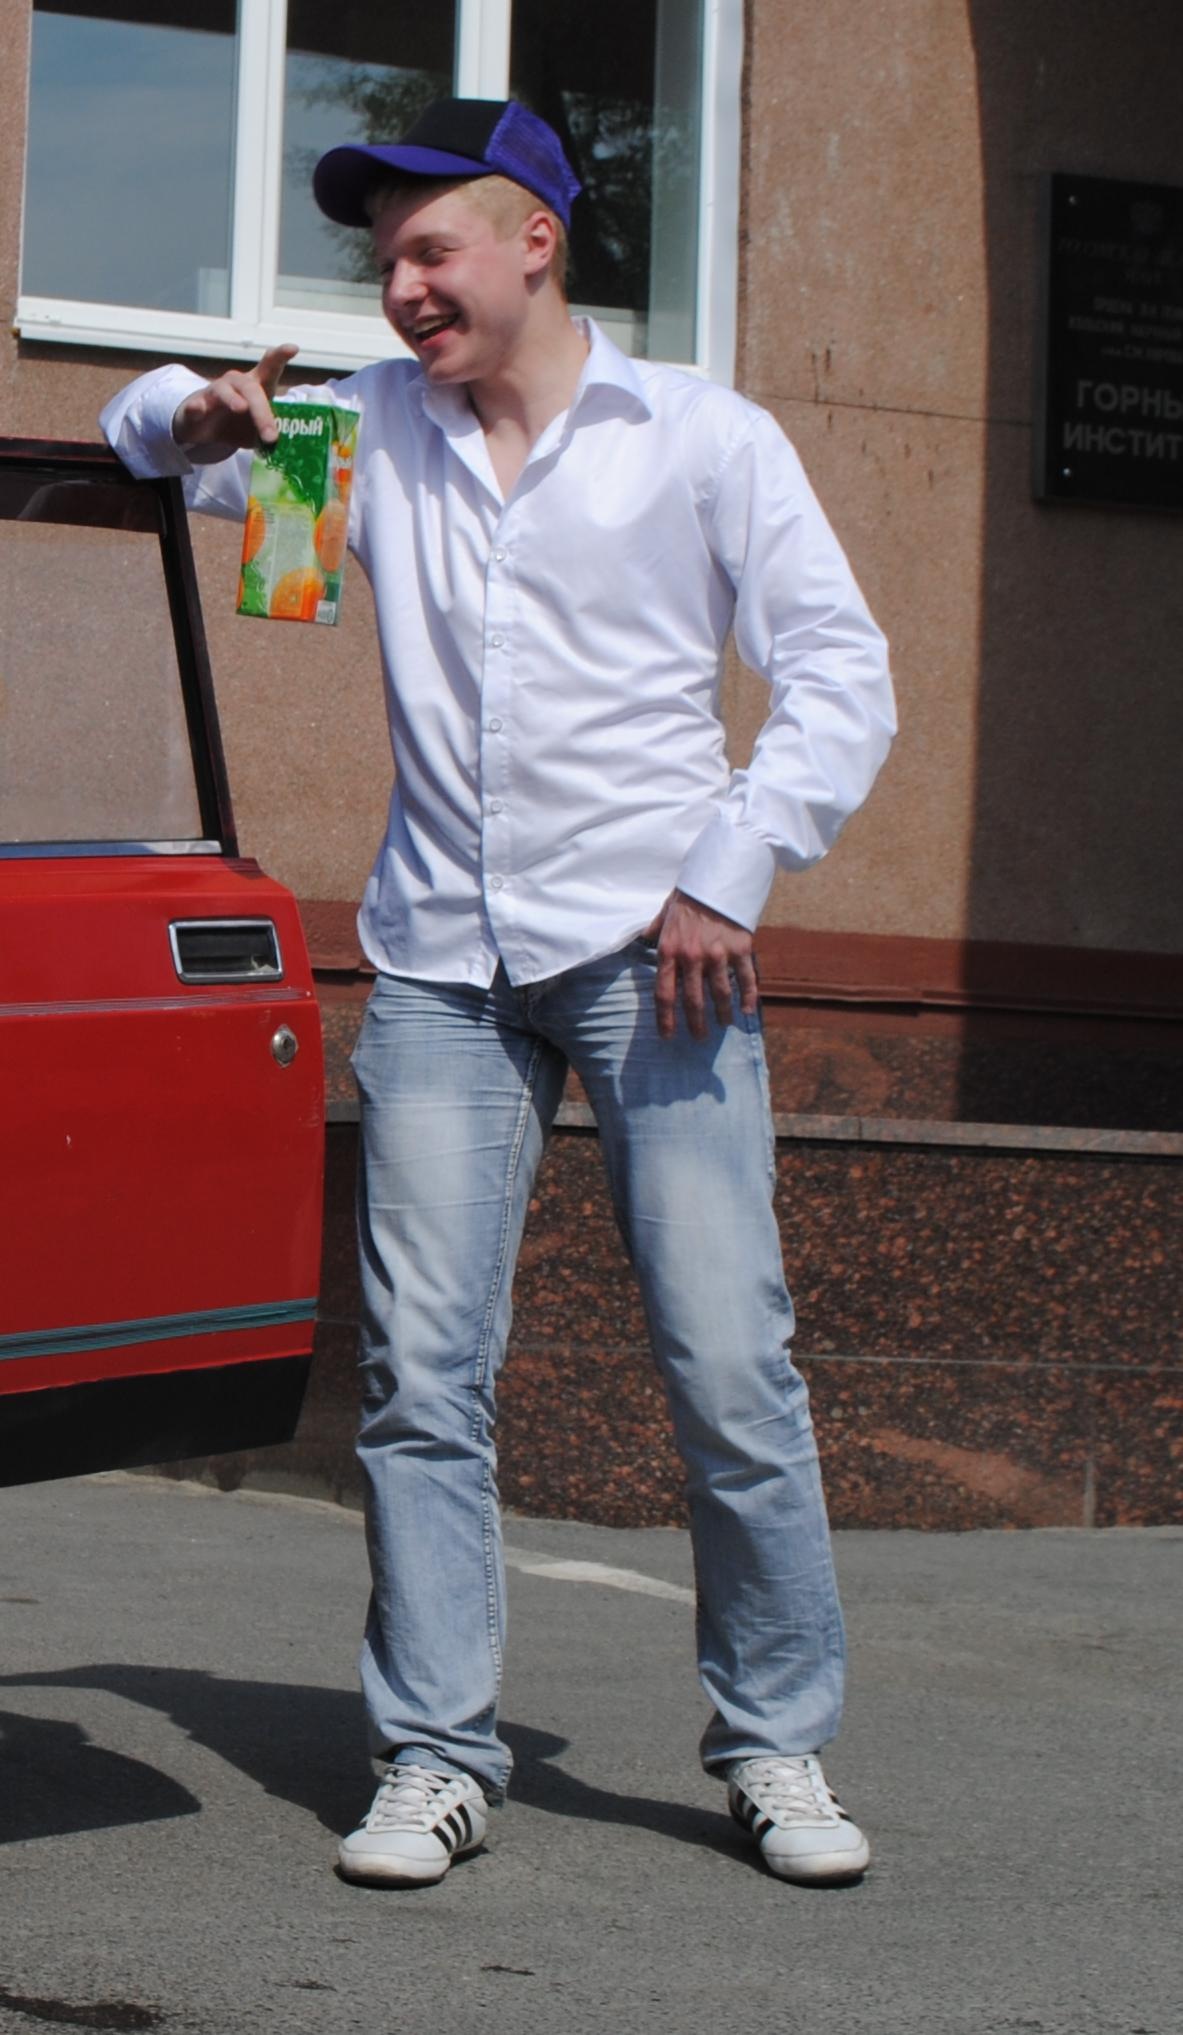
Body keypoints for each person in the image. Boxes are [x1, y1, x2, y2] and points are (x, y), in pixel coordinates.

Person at [102, 96, 896, 1891]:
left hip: (658, 957)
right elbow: (140, 438)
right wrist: (195, 411)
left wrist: (734, 867)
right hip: (443, 970)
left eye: (429, 250)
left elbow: (841, 673)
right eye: (384, 262)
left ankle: (776, 1743)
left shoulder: (700, 436)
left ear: (536, 239)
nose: (402, 289)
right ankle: (436, 1755)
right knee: (421, 1381)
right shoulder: (357, 431)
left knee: (728, 1364)